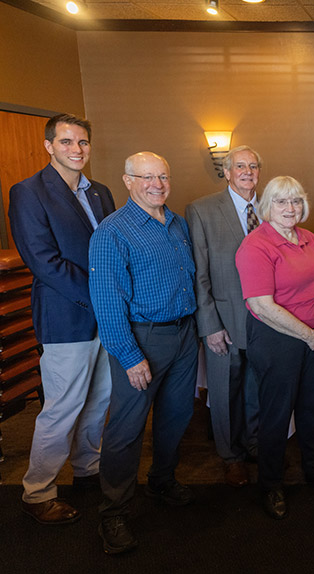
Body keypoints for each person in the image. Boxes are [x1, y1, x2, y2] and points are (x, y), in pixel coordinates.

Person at [9, 113, 115, 525]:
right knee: (63, 406)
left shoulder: (100, 192)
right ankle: (38, 492)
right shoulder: (28, 192)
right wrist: (101, 296)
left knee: (99, 400)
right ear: (50, 145)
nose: (77, 150)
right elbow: (43, 262)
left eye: (83, 142)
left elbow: (107, 252)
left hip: (106, 317)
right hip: (65, 316)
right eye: (68, 142)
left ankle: (88, 470)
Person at [89, 152, 198, 554]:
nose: (157, 184)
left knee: (177, 414)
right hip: (142, 340)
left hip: (184, 334)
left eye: (163, 176)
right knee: (127, 428)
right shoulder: (111, 232)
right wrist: (130, 355)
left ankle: (162, 480)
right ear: (127, 180)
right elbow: (106, 300)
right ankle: (114, 513)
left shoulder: (177, 224)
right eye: (147, 177)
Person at [236, 176, 314, 520]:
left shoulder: (309, 237)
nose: (290, 208)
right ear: (268, 205)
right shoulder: (255, 245)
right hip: (277, 340)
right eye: (282, 202)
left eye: (296, 201)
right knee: (276, 415)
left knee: (313, 408)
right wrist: (309, 335)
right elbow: (262, 305)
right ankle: (270, 485)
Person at [186, 145, 263, 488]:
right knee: (224, 391)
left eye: (253, 166)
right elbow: (199, 275)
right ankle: (230, 456)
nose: (247, 171)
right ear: (227, 172)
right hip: (225, 321)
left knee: (256, 388)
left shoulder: (272, 206)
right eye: (240, 166)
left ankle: (254, 443)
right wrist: (210, 326)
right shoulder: (201, 210)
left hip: (266, 321)